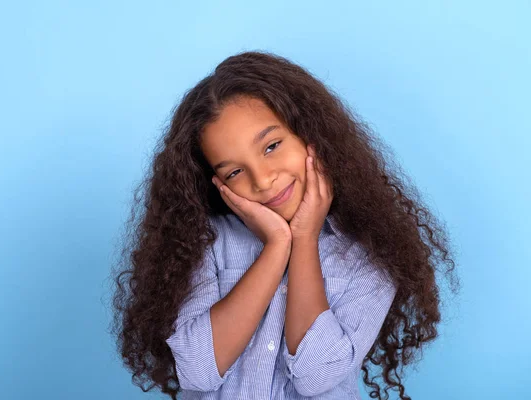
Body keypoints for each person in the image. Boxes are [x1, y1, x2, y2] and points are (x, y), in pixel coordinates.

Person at [111, 51, 459, 400]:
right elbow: (198, 369)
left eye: (272, 146)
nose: (263, 180)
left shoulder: (371, 253)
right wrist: (277, 245)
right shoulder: (205, 241)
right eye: (234, 171)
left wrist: (303, 239)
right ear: (216, 183)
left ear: (313, 135)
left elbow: (315, 376)